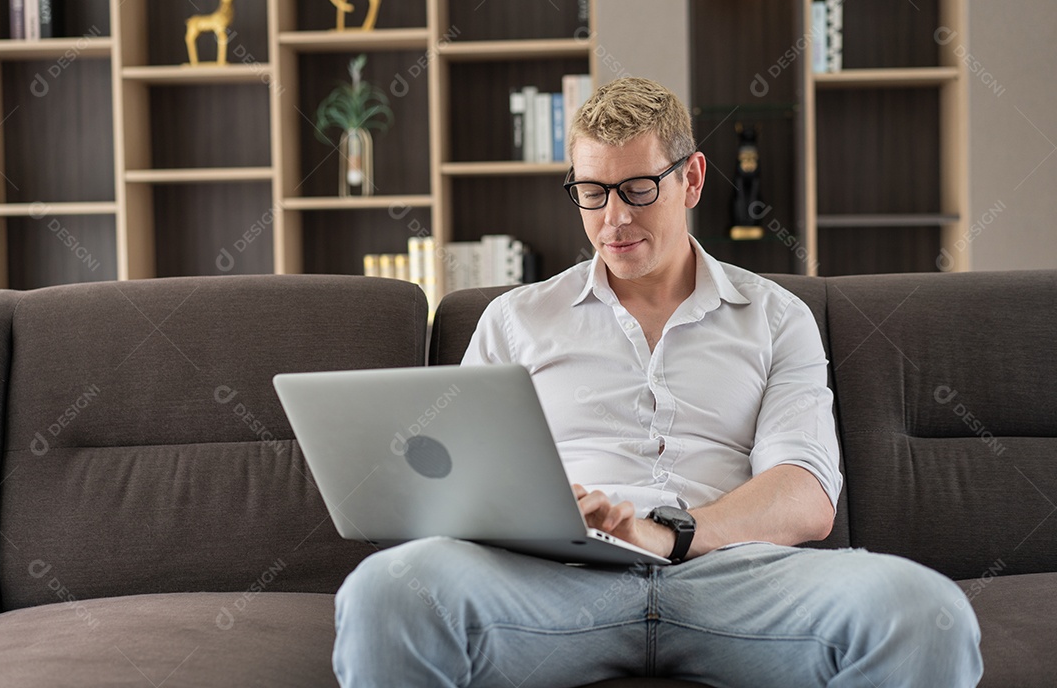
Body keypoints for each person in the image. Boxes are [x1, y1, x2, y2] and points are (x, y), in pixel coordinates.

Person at [333, 77, 982, 687]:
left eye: (638, 188)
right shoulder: (515, 319)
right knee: (385, 589)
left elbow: (805, 495)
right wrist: (542, 519)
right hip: (554, 583)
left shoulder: (776, 317)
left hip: (735, 578)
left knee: (922, 610)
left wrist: (672, 533)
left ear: (691, 178)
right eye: (592, 192)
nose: (613, 218)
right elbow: (464, 483)